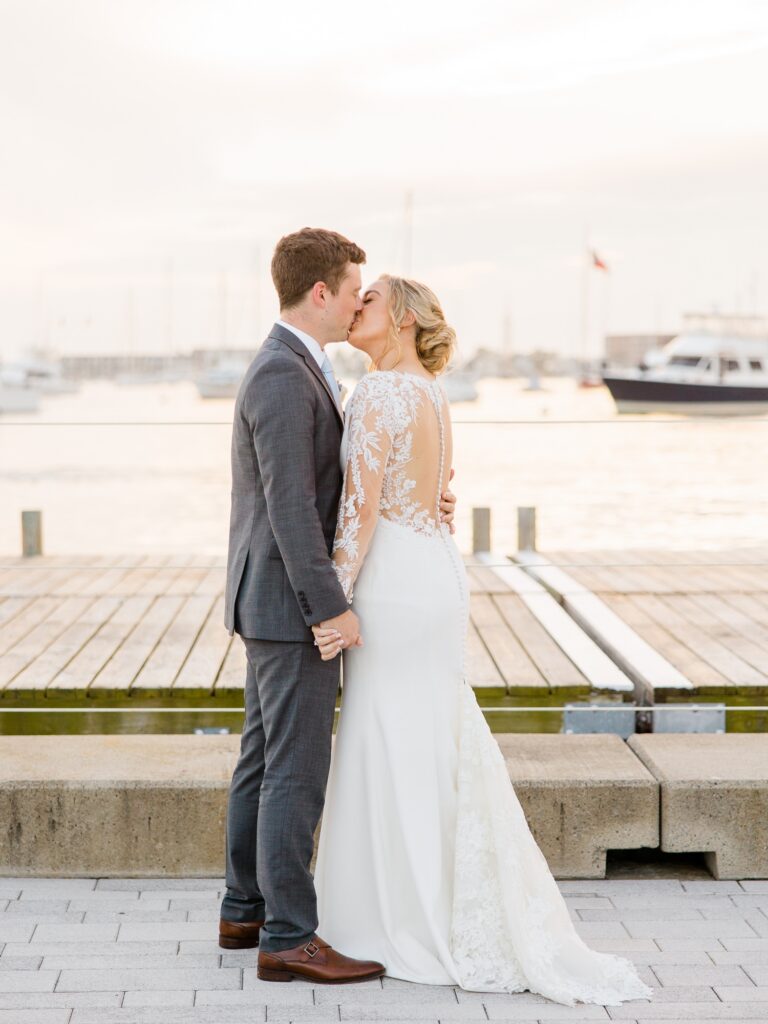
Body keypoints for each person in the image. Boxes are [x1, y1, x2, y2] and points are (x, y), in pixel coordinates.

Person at [311, 275, 654, 1007]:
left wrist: (332, 602)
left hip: (392, 582)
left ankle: (395, 918)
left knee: (387, 737)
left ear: (403, 319)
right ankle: (442, 900)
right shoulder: (433, 392)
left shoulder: (378, 391)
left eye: (370, 300)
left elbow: (360, 513)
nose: (357, 307)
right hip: (434, 570)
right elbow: (424, 488)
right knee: (430, 736)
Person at [219, 229, 457, 984]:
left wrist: (421, 501)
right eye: (355, 290)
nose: (359, 302)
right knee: (293, 770)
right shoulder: (283, 374)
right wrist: (330, 608)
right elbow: (292, 508)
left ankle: (244, 910)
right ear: (321, 292)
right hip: (293, 601)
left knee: (263, 758)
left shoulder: (304, 365)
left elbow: (346, 485)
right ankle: (288, 936)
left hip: (276, 595)